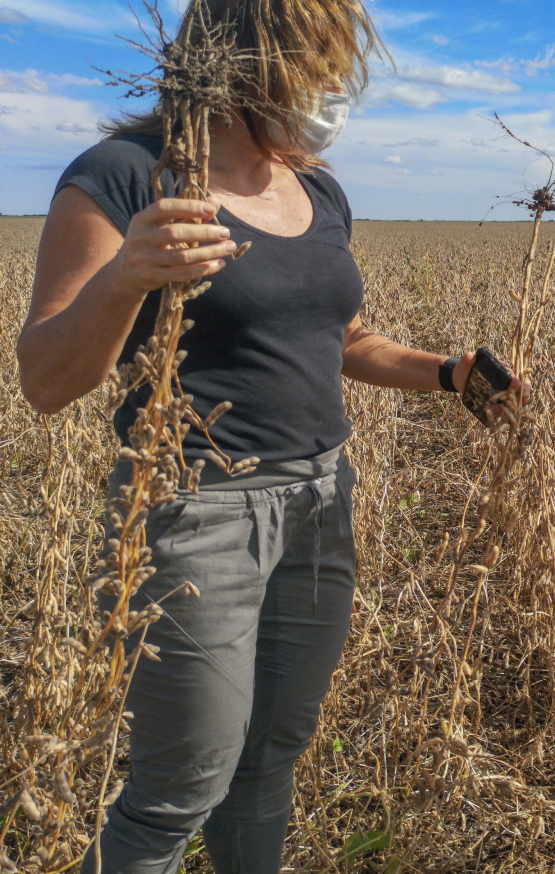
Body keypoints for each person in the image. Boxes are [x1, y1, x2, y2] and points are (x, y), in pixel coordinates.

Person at [16, 2, 527, 872]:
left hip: (320, 506)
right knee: (179, 787)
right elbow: (46, 379)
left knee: (267, 762)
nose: (329, 91)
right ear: (237, 63)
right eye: (314, 65)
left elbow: (344, 342)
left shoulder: (315, 184)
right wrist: (126, 278)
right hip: (192, 515)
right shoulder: (125, 175)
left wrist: (449, 370)